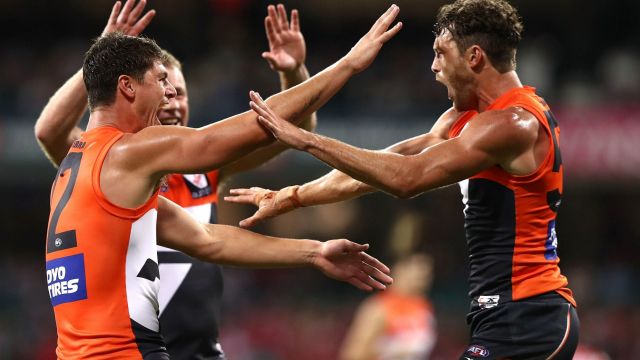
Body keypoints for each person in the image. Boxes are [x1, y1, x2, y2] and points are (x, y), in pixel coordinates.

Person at [41, 4, 402, 359]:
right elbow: (247, 131)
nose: (168, 95)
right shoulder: (126, 151)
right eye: (161, 81)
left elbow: (207, 239)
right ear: (128, 87)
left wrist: (314, 251)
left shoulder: (76, 165)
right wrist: (349, 65)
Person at [227, 0, 579, 358]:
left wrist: (307, 140)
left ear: (473, 57)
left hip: (531, 316)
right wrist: (295, 195)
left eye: (441, 54)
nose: (434, 66)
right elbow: (386, 165)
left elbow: (406, 179)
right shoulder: (465, 119)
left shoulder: (512, 123)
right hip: (503, 317)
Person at [340, 253, 437, 360]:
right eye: (419, 272)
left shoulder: (424, 307)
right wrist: (393, 351)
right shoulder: (378, 307)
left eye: (427, 274)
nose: (424, 279)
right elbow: (353, 355)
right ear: (399, 269)